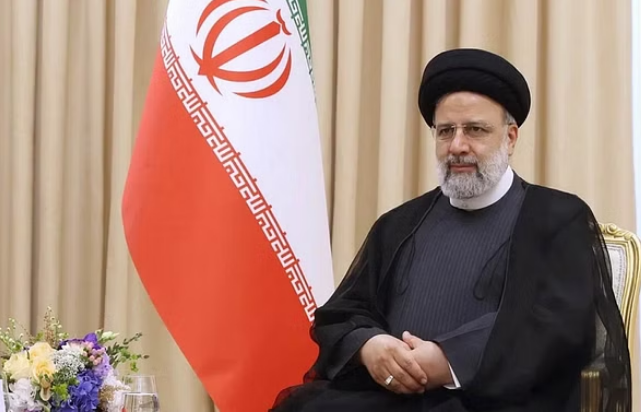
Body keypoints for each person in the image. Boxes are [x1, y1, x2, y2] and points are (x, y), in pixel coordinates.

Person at [270, 48, 632, 412]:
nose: (457, 146)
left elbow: (560, 324)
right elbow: (345, 311)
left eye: (475, 130)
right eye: (446, 131)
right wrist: (370, 346)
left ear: (510, 137)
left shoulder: (559, 218)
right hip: (393, 399)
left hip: (501, 402)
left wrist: (449, 361)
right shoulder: (398, 225)